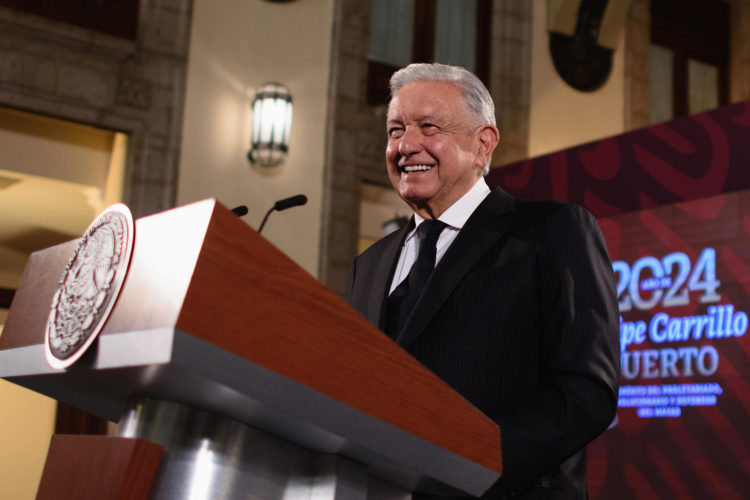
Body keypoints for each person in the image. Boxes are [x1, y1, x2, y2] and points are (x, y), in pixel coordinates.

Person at [347, 63, 620, 499]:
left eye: (428, 126)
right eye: (395, 130)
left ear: (482, 144)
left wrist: (463, 462)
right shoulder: (371, 263)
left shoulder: (552, 231)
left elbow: (587, 392)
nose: (405, 145)